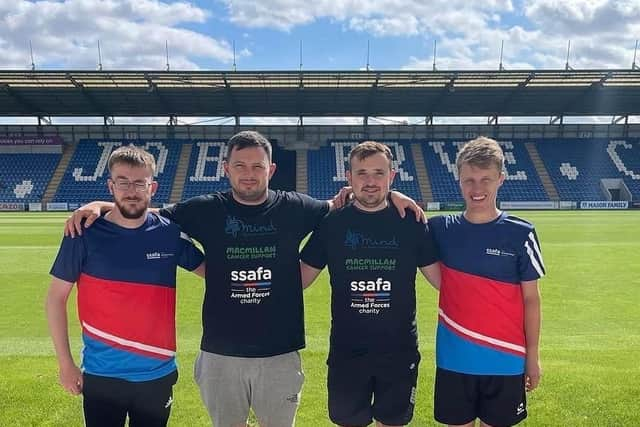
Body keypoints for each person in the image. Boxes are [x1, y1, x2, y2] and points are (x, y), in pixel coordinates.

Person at [64, 131, 425, 427]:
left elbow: (350, 200)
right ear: (226, 168)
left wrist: (393, 192)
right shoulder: (205, 209)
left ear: (271, 169)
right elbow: (143, 211)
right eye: (240, 165)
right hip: (220, 354)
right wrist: (102, 205)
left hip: (280, 353)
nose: (248, 173)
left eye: (257, 166)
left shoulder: (296, 207)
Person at [46, 146, 205, 427]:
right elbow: (56, 299)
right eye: (123, 182)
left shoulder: (168, 233)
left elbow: (215, 273)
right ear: (111, 186)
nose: (131, 191)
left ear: (152, 187)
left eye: (139, 183)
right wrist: (65, 364)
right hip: (102, 375)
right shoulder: (82, 233)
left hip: (156, 373)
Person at [299, 141, 440, 427]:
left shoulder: (411, 222)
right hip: (347, 351)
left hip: (398, 352)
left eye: (379, 173)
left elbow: (443, 282)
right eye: (362, 173)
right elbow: (299, 279)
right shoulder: (332, 223)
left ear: (392, 176)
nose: (371, 181)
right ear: (348, 178)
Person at [427, 137, 545, 427]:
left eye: (485, 179)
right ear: (459, 180)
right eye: (469, 180)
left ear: (500, 179)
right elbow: (400, 220)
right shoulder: (440, 228)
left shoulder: (521, 233)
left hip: (506, 360)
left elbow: (531, 299)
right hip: (454, 359)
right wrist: (396, 196)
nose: (477, 188)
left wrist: (533, 357)